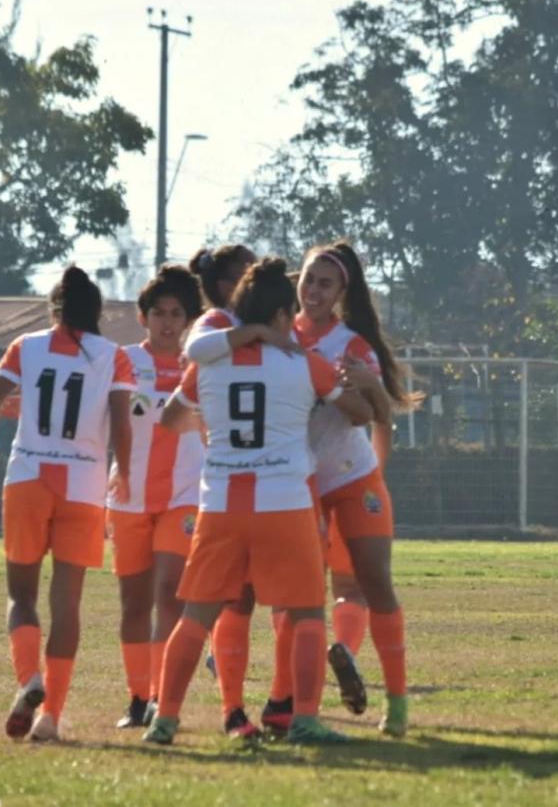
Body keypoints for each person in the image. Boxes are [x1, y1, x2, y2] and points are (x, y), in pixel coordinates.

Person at [143, 257, 375, 746]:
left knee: (196, 615)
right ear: (280, 315)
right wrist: (347, 387)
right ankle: (304, 719)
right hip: (285, 502)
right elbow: (358, 414)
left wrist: (216, 424)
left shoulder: (207, 364)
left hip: (221, 504)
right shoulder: (303, 362)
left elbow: (170, 420)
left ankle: (164, 720)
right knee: (306, 612)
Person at [0, 265, 134, 741]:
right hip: (84, 486)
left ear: (54, 308)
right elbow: (121, 423)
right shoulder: (113, 356)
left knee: (21, 597)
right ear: (96, 311)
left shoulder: (26, 346)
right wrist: (124, 472)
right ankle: (50, 716)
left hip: (28, 479)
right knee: (67, 604)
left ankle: (28, 680)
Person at [288, 240, 416, 738]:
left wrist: (370, 384)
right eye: (309, 279)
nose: (314, 290)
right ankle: (294, 701)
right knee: (297, 594)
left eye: (326, 283)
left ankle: (396, 701)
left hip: (352, 478)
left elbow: (381, 414)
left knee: (372, 582)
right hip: (298, 483)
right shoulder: (279, 337)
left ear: (342, 292)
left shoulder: (353, 345)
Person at [184, 244, 298, 739]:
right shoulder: (215, 325)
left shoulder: (277, 328)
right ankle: (232, 708)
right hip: (236, 482)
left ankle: (282, 699)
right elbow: (192, 365)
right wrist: (255, 333)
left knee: (288, 599)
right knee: (238, 600)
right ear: (228, 285)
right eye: (245, 273)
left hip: (280, 481)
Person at [108, 265, 203, 729]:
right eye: (159, 313)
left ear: (188, 320)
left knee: (170, 594)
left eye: (176, 313)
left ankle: (161, 700)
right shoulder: (122, 361)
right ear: (143, 317)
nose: (168, 322)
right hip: (128, 496)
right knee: (134, 604)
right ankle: (136, 696)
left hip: (185, 494)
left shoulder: (199, 365)